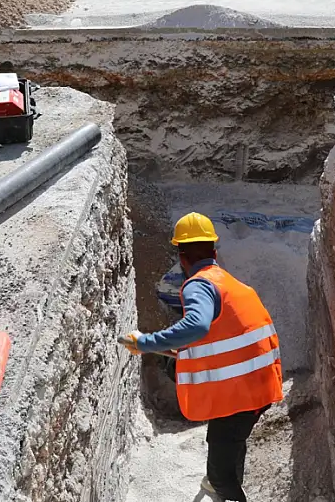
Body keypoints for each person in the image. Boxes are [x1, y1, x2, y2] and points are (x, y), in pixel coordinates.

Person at [121, 212, 284, 502]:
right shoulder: (229, 284)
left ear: (182, 258)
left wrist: (146, 341)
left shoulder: (198, 285)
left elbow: (196, 326)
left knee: (220, 466)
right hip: (258, 385)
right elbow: (210, 343)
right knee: (232, 442)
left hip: (238, 394)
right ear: (214, 252)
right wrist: (157, 347)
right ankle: (226, 483)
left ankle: (227, 491)